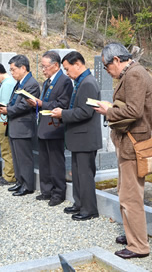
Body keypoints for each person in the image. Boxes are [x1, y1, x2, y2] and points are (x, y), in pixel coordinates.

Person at [93, 42, 152, 259]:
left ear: (116, 60)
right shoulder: (133, 73)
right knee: (126, 193)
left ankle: (139, 246)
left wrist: (108, 110)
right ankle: (133, 235)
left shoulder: (134, 75)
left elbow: (134, 110)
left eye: (106, 67)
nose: (107, 72)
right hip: (131, 143)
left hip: (134, 144)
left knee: (131, 196)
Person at [51, 51, 101, 221]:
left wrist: (63, 114)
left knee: (85, 175)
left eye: (67, 69)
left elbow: (85, 112)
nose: (66, 73)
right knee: (78, 173)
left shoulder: (87, 83)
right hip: (79, 137)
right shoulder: (81, 81)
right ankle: (79, 203)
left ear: (77, 64)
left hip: (85, 137)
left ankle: (89, 209)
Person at [26, 51, 73, 207]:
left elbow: (62, 104)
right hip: (44, 125)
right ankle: (46, 190)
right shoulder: (46, 82)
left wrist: (40, 104)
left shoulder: (65, 81)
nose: (43, 70)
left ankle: (58, 192)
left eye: (45, 67)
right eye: (42, 66)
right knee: (44, 161)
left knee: (56, 162)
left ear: (55, 66)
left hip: (55, 126)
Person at [0, 55, 40, 196]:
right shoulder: (20, 82)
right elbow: (14, 101)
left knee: (24, 158)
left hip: (23, 126)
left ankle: (27, 185)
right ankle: (20, 181)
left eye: (13, 69)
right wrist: (7, 107)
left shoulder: (31, 84)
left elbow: (24, 106)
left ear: (23, 68)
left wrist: (8, 110)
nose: (12, 73)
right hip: (15, 125)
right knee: (16, 157)